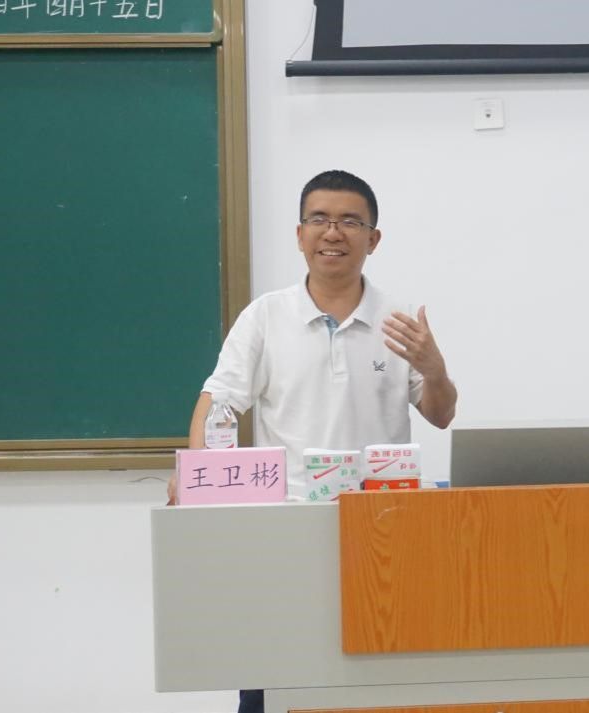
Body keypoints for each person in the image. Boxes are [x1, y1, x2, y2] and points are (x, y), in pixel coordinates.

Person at [166, 170, 458, 713]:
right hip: (287, 526)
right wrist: (197, 476)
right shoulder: (265, 317)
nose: (333, 232)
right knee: (272, 676)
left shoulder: (398, 321)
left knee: (376, 675)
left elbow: (440, 415)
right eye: (319, 219)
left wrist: (436, 370)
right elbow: (219, 403)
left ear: (373, 239)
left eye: (351, 221)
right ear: (300, 234)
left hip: (381, 527)